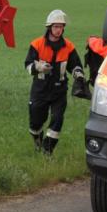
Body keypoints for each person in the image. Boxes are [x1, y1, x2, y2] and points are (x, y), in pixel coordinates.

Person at [24, 9, 90, 155]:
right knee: (35, 122)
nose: (58, 30)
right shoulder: (37, 44)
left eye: (61, 27)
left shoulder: (68, 46)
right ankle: (37, 140)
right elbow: (28, 65)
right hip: (40, 89)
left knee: (57, 119)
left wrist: (78, 75)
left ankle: (48, 150)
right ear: (49, 27)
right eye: (56, 26)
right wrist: (39, 67)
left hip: (59, 90)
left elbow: (75, 65)